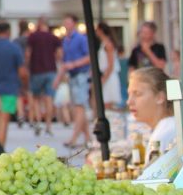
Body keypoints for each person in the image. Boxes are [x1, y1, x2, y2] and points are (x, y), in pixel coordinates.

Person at [57, 14, 91, 149]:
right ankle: (88, 138)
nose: (66, 24)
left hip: (81, 75)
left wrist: (74, 64)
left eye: (68, 22)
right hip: (72, 76)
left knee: (79, 107)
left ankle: (74, 137)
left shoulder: (81, 39)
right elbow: (64, 61)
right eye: (64, 22)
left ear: (74, 24)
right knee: (77, 107)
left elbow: (89, 57)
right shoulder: (66, 40)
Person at [127, 67, 177, 153]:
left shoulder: (163, 135)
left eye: (137, 94)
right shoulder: (170, 125)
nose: (129, 101)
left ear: (160, 97)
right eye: (129, 94)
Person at [26, 17, 61, 135]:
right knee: (49, 98)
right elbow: (60, 54)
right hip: (51, 70)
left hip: (36, 70)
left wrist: (27, 66)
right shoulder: (54, 38)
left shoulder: (33, 36)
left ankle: (38, 122)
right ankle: (49, 125)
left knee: (35, 97)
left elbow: (28, 53)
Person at [95, 23, 121, 110]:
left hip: (109, 76)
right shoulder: (104, 44)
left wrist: (104, 79)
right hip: (106, 75)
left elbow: (111, 65)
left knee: (107, 103)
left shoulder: (108, 44)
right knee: (105, 103)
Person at [13, 22, 31, 128]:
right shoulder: (30, 40)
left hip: (18, 69)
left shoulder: (16, 41)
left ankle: (21, 114)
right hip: (30, 69)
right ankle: (32, 116)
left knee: (19, 93)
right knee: (30, 93)